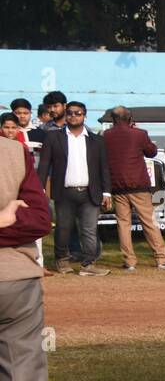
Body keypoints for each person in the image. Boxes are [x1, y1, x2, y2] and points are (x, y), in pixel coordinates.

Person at [0, 135, 58, 381]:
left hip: (14, 282)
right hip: (14, 280)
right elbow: (37, 220)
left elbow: (39, 221)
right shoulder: (13, 152)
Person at [37, 101, 112, 276]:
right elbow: (45, 164)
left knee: (89, 230)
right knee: (63, 228)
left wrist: (107, 192)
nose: (73, 116)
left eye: (78, 113)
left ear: (84, 115)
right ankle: (62, 261)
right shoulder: (54, 138)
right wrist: (40, 189)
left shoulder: (97, 140)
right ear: (66, 114)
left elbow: (104, 168)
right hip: (64, 192)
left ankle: (89, 264)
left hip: (90, 192)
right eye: (70, 113)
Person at [102, 106, 165, 271]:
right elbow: (151, 152)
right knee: (148, 221)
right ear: (130, 118)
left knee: (123, 224)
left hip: (117, 185)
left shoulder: (106, 135)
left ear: (113, 119)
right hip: (138, 185)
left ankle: (129, 261)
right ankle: (161, 258)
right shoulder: (139, 134)